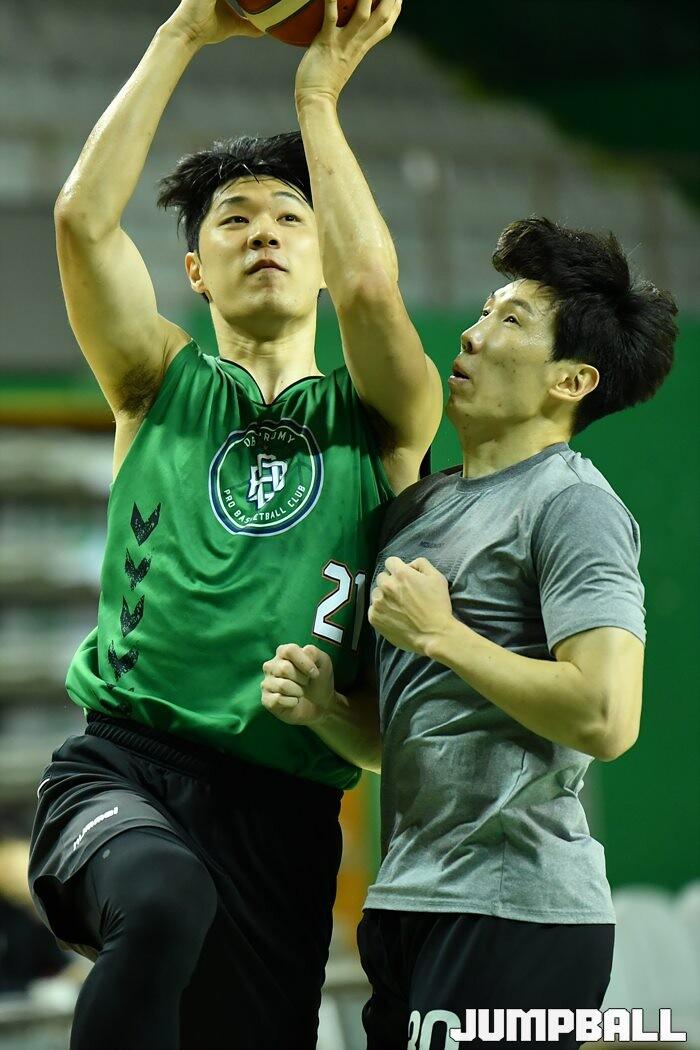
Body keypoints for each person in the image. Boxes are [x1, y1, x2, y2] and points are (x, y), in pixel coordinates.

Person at [27, 1, 443, 1047]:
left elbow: (371, 284)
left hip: (283, 816)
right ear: (194, 272)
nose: (263, 231)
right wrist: (185, 29)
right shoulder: (156, 380)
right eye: (234, 220)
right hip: (124, 767)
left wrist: (318, 98)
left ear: (320, 257)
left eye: (289, 218)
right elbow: (81, 222)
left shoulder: (384, 417)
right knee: (162, 898)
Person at [262, 217, 678, 1049]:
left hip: (517, 910)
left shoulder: (573, 505)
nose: (474, 332)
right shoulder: (419, 508)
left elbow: (607, 716)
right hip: (408, 901)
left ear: (572, 381)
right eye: (485, 310)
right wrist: (327, 711)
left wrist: (443, 635)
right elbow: (411, 739)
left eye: (511, 320)